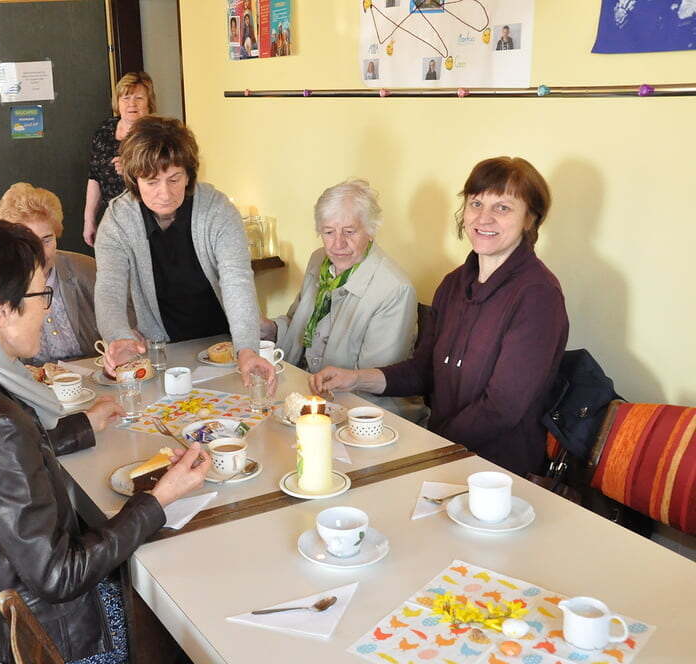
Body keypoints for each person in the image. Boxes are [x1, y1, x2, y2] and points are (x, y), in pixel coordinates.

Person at [0, 219, 209, 663]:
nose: (48, 308)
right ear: (2, 312)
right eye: (39, 295)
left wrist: (83, 425)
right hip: (14, 637)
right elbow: (60, 575)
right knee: (171, 617)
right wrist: (158, 499)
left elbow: (2, 459)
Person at [311, 157, 568, 477]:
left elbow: (501, 409)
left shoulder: (538, 296)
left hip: (497, 471)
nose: (484, 218)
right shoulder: (453, 284)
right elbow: (424, 371)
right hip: (443, 454)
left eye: (502, 208)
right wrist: (356, 377)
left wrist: (430, 447)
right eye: (476, 203)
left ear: (530, 219)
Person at [94, 115, 276, 391]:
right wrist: (120, 339)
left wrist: (247, 349)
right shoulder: (118, 219)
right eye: (152, 182)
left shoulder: (217, 210)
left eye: (174, 179)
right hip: (163, 350)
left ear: (189, 174)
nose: (165, 193)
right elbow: (109, 287)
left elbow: (237, 280)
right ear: (134, 179)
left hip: (225, 344)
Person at [261, 179, 419, 418]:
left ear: (371, 229)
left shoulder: (394, 289)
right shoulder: (319, 261)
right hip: (307, 394)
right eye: (328, 232)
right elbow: (298, 326)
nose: (338, 244)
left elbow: (373, 381)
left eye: (349, 231)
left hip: (368, 413)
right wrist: (271, 329)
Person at [0, 182, 101, 362]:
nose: (39, 253)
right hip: (31, 382)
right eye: (28, 243)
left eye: (47, 240)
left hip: (92, 374)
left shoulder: (88, 269)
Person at [83, 72, 156, 246]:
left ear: (149, 103)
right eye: (126, 97)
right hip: (113, 218)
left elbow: (165, 176)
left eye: (139, 98)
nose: (132, 104)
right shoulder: (105, 129)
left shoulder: (156, 133)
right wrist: (89, 220)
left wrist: (132, 170)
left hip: (148, 218)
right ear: (118, 102)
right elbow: (95, 177)